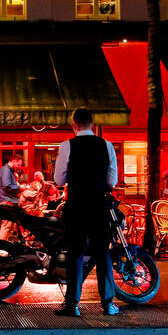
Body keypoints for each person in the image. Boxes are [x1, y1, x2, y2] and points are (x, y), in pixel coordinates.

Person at [52, 108, 119, 317]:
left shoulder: (67, 146)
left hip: (77, 205)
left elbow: (59, 180)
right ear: (92, 124)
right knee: (103, 253)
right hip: (99, 205)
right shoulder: (106, 145)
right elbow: (112, 181)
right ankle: (108, 304)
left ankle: (72, 304)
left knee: (75, 254)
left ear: (74, 125)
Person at [0, 155, 24, 240]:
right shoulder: (6, 170)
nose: (19, 167)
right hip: (6, 201)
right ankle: (1, 249)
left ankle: (3, 247)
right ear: (14, 161)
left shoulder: (8, 170)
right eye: (19, 165)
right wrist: (20, 188)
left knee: (8, 226)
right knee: (6, 226)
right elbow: (6, 186)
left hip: (7, 200)